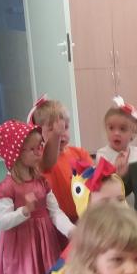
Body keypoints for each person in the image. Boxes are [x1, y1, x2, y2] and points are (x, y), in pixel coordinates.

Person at [0, 119, 74, 274]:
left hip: (44, 242)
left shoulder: (41, 181)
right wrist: (24, 211)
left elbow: (55, 212)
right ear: (17, 153)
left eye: (40, 146)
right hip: (21, 246)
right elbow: (2, 222)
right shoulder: (7, 187)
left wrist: (70, 230)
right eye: (32, 149)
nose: (39, 152)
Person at [31, 96, 92, 224]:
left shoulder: (79, 153)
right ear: (38, 133)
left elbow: (93, 179)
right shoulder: (40, 157)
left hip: (82, 217)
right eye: (51, 129)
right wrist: (56, 136)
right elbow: (47, 163)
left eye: (65, 127)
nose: (61, 133)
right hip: (56, 221)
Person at [96, 96, 137, 172]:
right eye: (111, 128)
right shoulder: (102, 155)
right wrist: (115, 169)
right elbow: (103, 178)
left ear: (133, 133)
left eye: (122, 129)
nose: (116, 133)